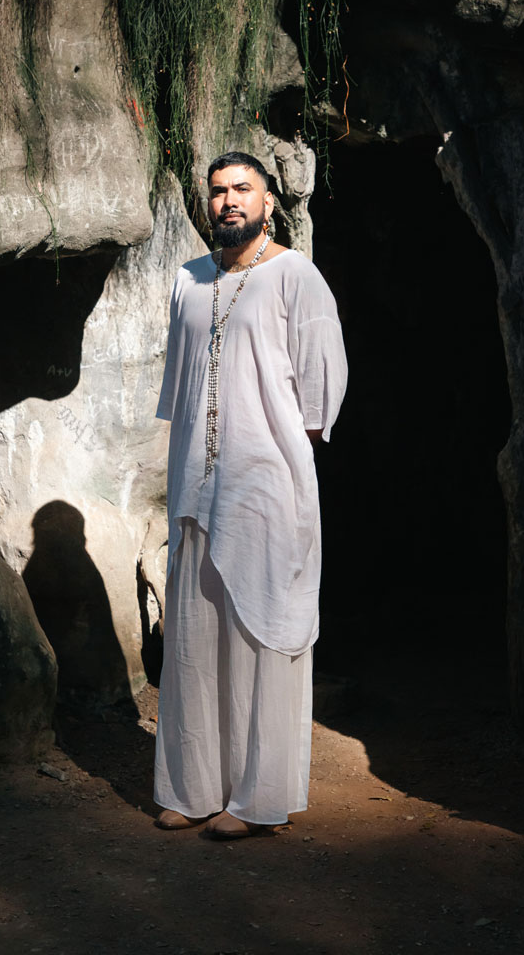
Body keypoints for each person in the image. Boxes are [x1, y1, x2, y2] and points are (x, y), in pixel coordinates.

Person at [150, 150, 348, 840]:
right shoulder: (188, 280)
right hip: (194, 482)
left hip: (265, 486)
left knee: (258, 633)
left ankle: (258, 799)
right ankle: (193, 787)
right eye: (218, 191)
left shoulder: (296, 276)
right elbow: (179, 392)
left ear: (268, 202)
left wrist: (275, 460)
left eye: (243, 189)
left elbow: (320, 397)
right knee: (195, 636)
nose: (229, 200)